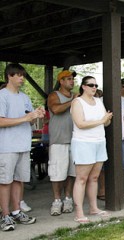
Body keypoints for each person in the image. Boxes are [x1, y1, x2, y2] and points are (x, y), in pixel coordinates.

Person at [0, 63, 44, 231]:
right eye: (18, 75)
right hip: (6, 147)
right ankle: (5, 216)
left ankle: (17, 211)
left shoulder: (25, 97)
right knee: (5, 182)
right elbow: (1, 121)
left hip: (23, 145)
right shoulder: (2, 96)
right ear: (9, 76)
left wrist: (36, 115)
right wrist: (25, 118)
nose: (22, 78)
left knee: (20, 180)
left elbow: (31, 120)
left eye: (23, 75)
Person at [71, 76, 113, 223]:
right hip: (83, 143)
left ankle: (93, 208)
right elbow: (80, 124)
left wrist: (107, 119)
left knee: (94, 178)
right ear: (83, 86)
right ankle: (79, 212)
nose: (94, 87)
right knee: (81, 178)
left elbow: (105, 124)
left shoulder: (98, 102)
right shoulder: (77, 102)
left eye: (95, 85)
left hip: (99, 141)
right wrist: (102, 120)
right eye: (91, 85)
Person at [47, 70, 78, 216]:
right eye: (69, 79)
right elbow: (56, 109)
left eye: (73, 79)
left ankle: (68, 199)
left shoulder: (76, 96)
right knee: (57, 173)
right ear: (61, 81)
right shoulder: (54, 95)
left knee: (72, 173)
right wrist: (73, 101)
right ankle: (56, 200)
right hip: (58, 140)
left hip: (76, 140)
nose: (72, 81)